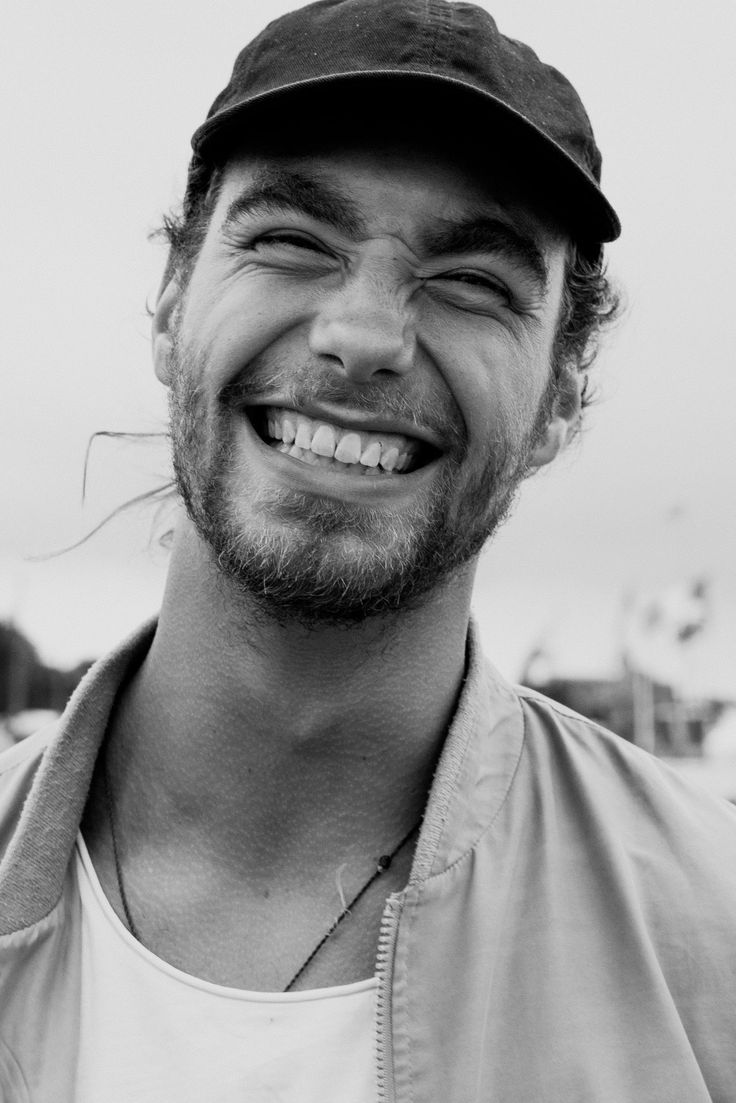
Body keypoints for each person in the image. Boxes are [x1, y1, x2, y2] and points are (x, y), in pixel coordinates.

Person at [1, 1, 736, 1099]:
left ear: (558, 397)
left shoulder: (710, 931)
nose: (361, 337)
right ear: (169, 300)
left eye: (475, 284)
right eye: (293, 242)